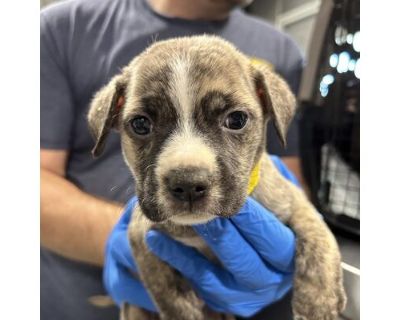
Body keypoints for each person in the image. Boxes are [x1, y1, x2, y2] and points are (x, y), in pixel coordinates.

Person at [40, 0, 305, 319]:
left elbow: (289, 174)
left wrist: (288, 249)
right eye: (141, 124)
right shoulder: (62, 27)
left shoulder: (281, 48)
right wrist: (144, 244)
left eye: (235, 120)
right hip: (84, 297)